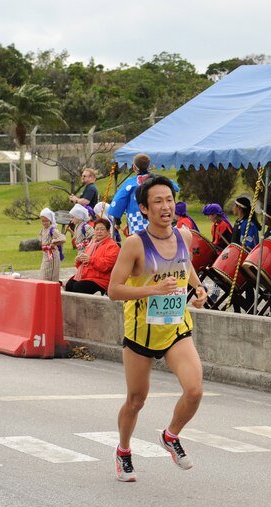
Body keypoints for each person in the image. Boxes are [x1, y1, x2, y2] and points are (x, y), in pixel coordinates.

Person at [107, 175, 208, 482]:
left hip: (176, 327)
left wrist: (198, 286)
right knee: (136, 399)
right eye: (158, 202)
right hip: (142, 331)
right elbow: (114, 290)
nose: (166, 207)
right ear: (144, 209)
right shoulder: (135, 244)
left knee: (194, 390)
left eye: (169, 200)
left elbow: (185, 264)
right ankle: (124, 450)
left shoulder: (184, 236)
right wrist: (152, 290)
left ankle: (171, 435)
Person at [64, 218, 120, 295]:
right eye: (97, 229)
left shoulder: (112, 246)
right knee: (69, 285)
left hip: (101, 280)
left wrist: (91, 260)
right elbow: (82, 266)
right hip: (87, 276)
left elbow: (107, 266)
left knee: (78, 287)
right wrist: (79, 260)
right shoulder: (92, 244)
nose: (99, 232)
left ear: (108, 231)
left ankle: (84, 307)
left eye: (102, 229)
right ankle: (73, 307)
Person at [107, 153, 153, 236]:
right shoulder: (157, 179)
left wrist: (118, 222)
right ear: (149, 166)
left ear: (134, 167)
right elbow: (175, 187)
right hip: (156, 218)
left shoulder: (130, 183)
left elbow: (119, 201)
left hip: (136, 221)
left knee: (139, 244)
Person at [38, 208, 66, 282]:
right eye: (43, 221)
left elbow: (63, 238)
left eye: (46, 221)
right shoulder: (42, 230)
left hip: (52, 255)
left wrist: (54, 243)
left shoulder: (53, 230)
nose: (44, 223)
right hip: (45, 255)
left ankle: (53, 291)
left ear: (50, 220)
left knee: (50, 276)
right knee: (43, 274)